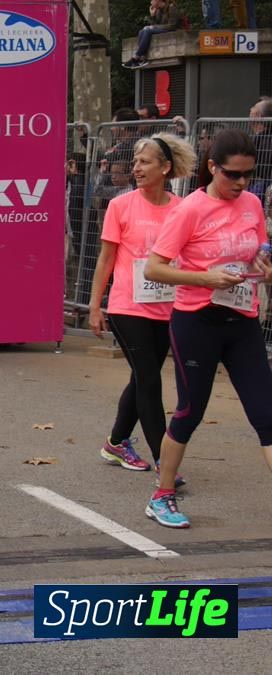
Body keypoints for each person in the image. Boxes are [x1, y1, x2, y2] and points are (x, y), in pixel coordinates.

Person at [144, 129, 272, 528]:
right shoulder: (190, 210)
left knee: (267, 416)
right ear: (212, 167)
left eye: (248, 175)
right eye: (233, 174)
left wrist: (266, 270)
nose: (241, 183)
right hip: (196, 322)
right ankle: (162, 495)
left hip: (243, 321)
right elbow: (154, 268)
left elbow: (261, 250)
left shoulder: (251, 203)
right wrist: (205, 278)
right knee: (189, 411)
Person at [87, 133, 196, 476]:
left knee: (141, 378)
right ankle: (165, 460)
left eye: (145, 162)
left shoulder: (183, 208)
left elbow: (189, 258)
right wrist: (94, 305)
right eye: (135, 161)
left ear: (165, 168)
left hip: (167, 306)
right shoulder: (121, 205)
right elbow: (106, 259)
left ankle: (116, 443)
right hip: (126, 305)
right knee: (150, 380)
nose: (136, 168)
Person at [123, 0, 182, 70]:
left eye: (152, 0)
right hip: (163, 29)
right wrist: (153, 16)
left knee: (147, 31)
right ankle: (141, 58)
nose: (151, 3)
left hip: (172, 30)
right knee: (142, 31)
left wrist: (154, 27)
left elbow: (173, 25)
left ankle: (136, 57)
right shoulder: (159, 10)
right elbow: (155, 24)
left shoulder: (171, 7)